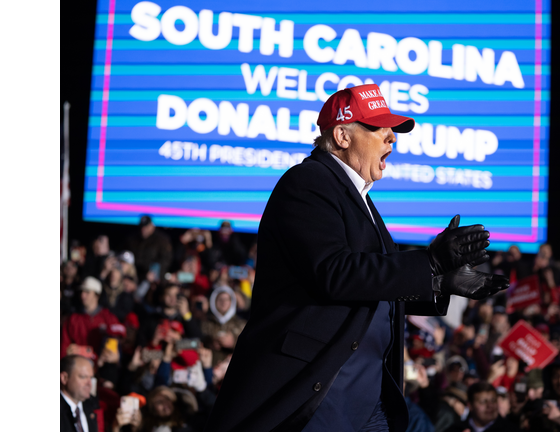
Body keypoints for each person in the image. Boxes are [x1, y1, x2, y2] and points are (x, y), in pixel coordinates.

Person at [204, 83, 508, 432]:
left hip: (365, 397)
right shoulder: (307, 182)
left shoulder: (359, 197)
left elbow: (371, 286)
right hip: (318, 390)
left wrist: (437, 283)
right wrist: (429, 262)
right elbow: (333, 272)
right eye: (379, 128)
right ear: (343, 136)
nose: (391, 137)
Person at [61, 276, 121, 358]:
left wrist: (87, 352)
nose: (82, 295)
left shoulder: (109, 318)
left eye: (87, 292)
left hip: (100, 366)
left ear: (97, 294)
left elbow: (113, 351)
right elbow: (64, 348)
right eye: (81, 291)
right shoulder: (72, 319)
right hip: (77, 366)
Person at [445, 382, 519, 432]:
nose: (490, 406)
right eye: (483, 402)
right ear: (470, 405)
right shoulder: (455, 429)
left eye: (493, 400)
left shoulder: (511, 429)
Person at [127, 215, 173, 282]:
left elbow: (166, 259)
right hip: (136, 276)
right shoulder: (132, 239)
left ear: (152, 226)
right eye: (142, 226)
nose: (143, 229)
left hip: (154, 278)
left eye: (146, 226)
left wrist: (155, 273)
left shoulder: (162, 240)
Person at [61, 355, 100, 432]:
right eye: (83, 377)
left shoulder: (92, 405)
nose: (89, 383)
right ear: (64, 378)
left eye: (91, 378)